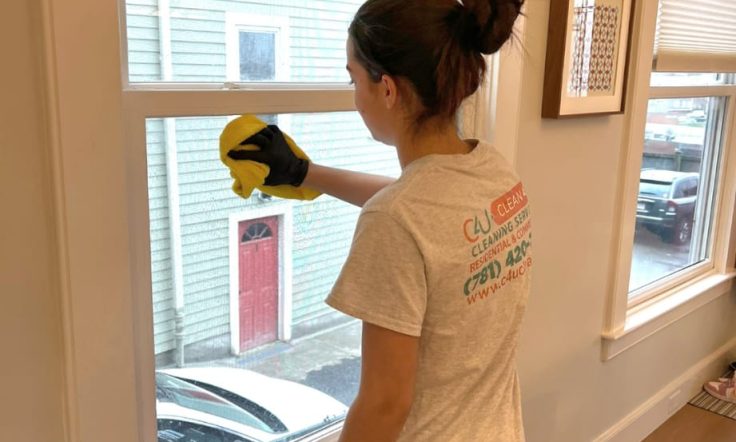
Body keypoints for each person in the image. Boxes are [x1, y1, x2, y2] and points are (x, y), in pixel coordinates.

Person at [228, 0, 530, 440]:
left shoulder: (395, 221)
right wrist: (304, 174)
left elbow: (385, 404)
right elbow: (427, 212)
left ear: (387, 89)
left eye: (353, 78)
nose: (354, 98)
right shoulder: (495, 171)